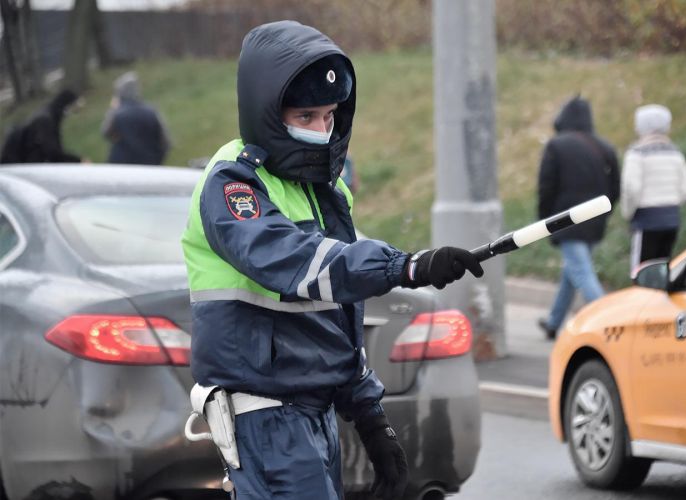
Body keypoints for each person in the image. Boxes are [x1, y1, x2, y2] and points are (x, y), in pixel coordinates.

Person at [181, 21, 483, 500]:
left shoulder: (322, 191)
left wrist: (369, 414)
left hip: (314, 415)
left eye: (329, 116)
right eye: (306, 116)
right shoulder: (234, 185)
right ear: (267, 112)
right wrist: (403, 266)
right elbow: (296, 263)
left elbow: (335, 314)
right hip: (266, 415)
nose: (322, 131)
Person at [536, 95, 619, 340]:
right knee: (572, 271)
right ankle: (554, 322)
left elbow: (546, 187)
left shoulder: (556, 146)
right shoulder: (605, 148)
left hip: (566, 220)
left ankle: (611, 322)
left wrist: (545, 221)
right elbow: (616, 188)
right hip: (594, 221)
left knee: (581, 272)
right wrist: (603, 212)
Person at [621, 104, 686, 275]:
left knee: (641, 271)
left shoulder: (636, 153)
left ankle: (642, 301)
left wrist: (628, 213)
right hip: (672, 220)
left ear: (640, 126)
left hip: (646, 221)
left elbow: (631, 188)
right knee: (662, 270)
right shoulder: (675, 153)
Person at [101, 71, 170, 165]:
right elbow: (165, 141)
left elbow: (105, 132)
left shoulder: (117, 113)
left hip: (121, 164)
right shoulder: (152, 112)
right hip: (149, 164)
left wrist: (112, 109)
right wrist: (158, 159)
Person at [0, 89, 81, 164]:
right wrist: (78, 161)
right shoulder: (45, 121)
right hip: (18, 164)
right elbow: (53, 153)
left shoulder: (49, 116)